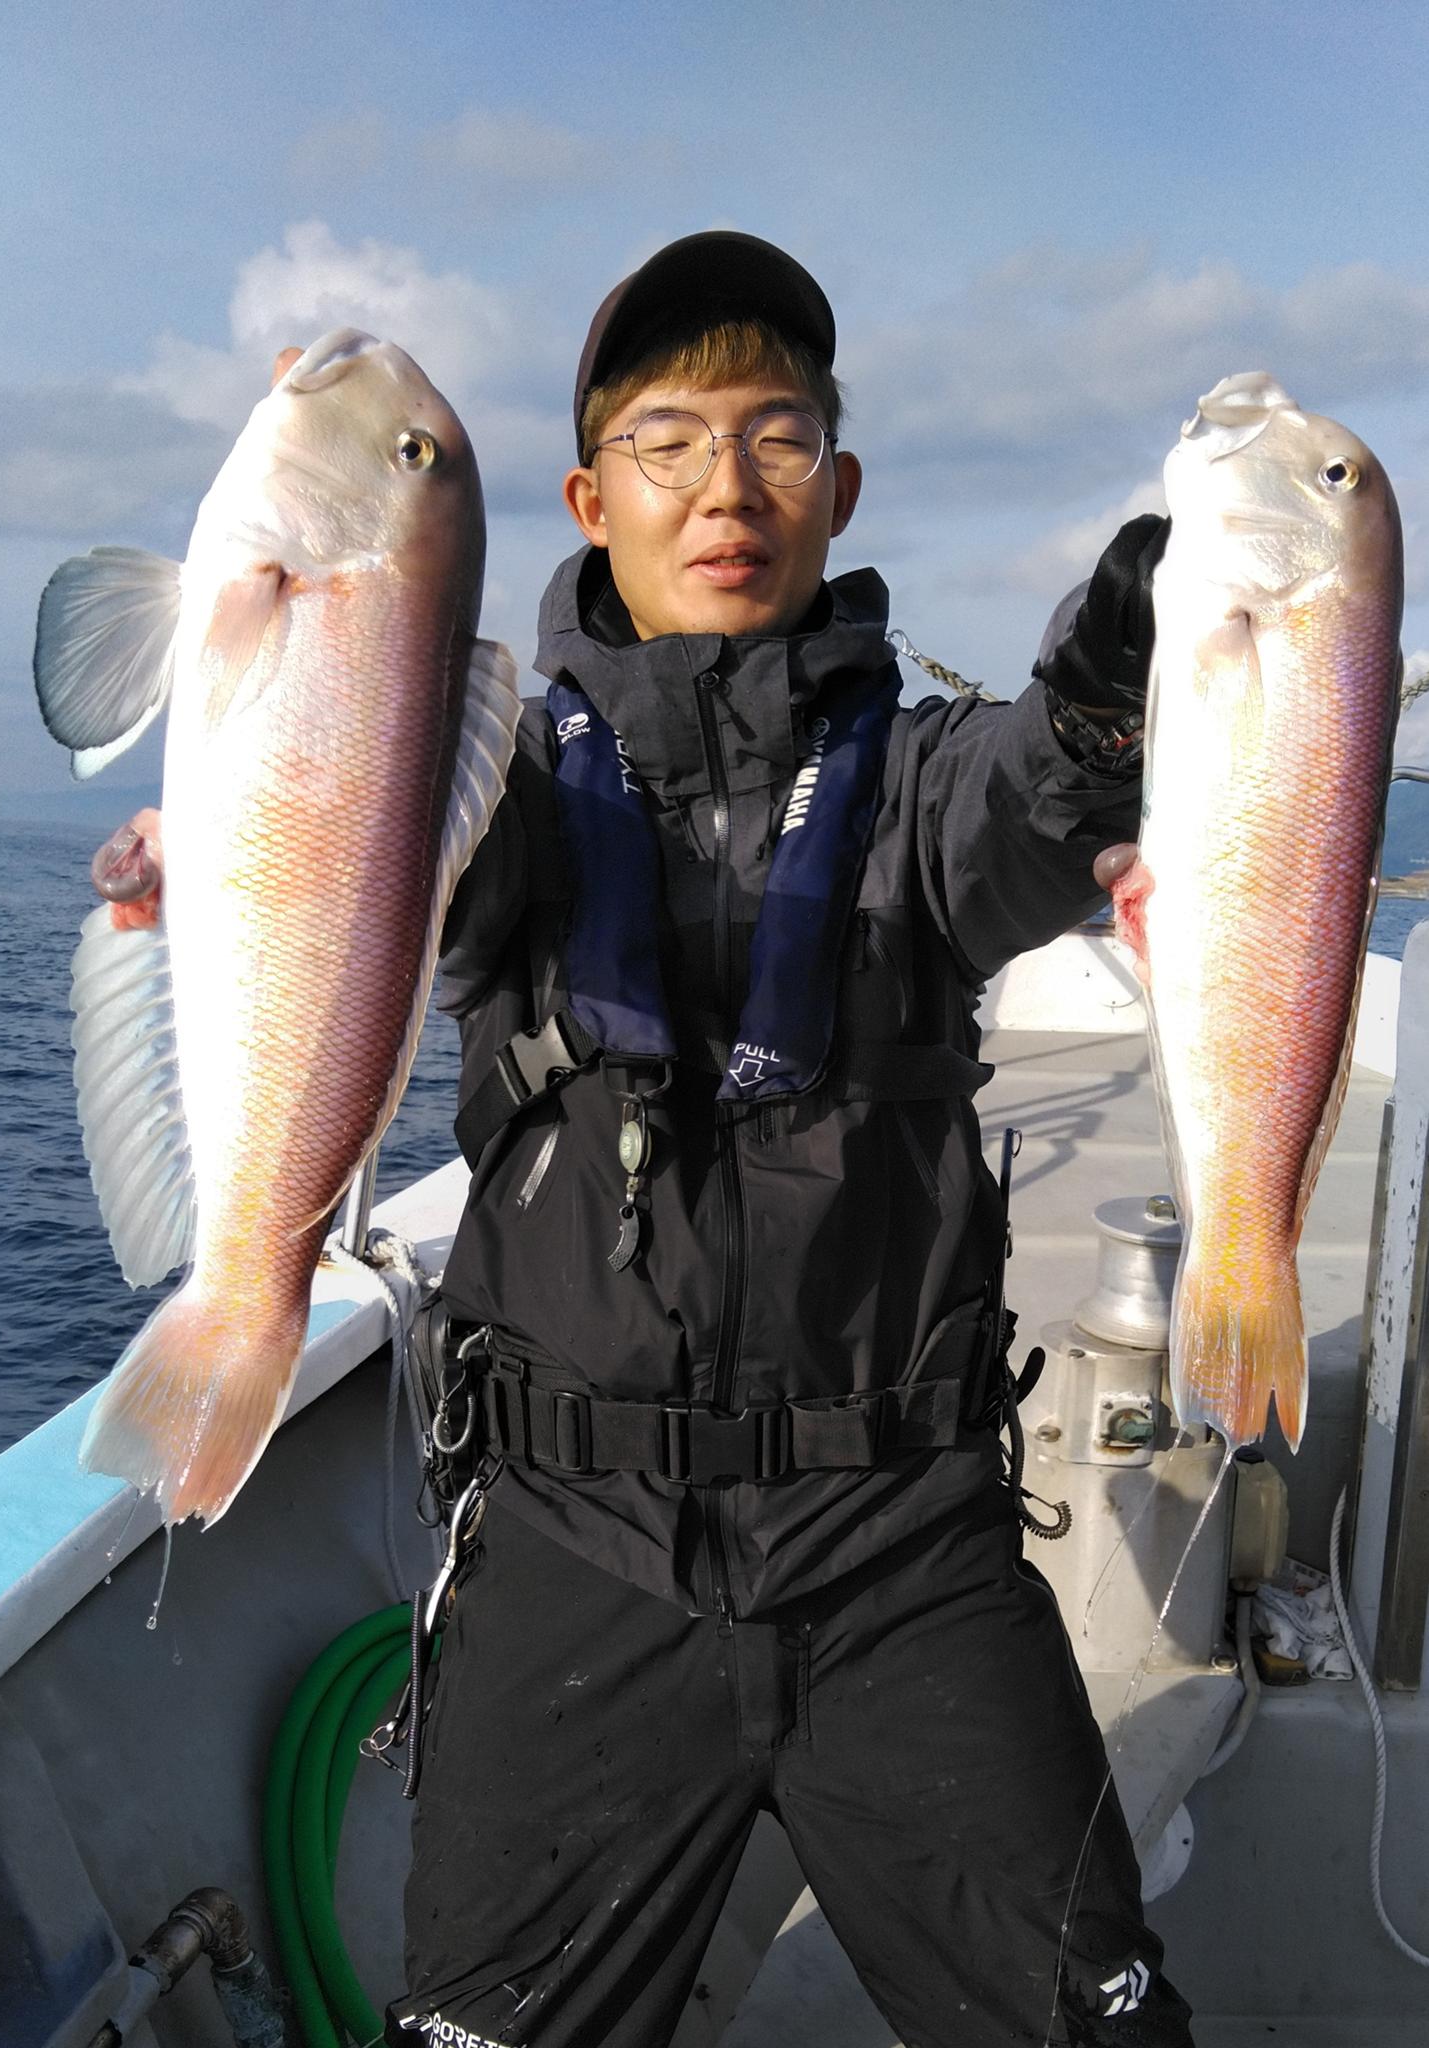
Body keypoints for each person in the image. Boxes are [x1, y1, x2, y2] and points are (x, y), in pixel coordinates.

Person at [95, 232, 1190, 2047]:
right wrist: (222, 854)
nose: (725, 488)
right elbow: (402, 875)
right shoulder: (493, 772)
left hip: (905, 1552)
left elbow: (1035, 799)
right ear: (590, 501)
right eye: (667, 441)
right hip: (569, 1549)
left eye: (776, 437)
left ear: (838, 489)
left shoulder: (923, 783)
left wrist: (1106, 680)